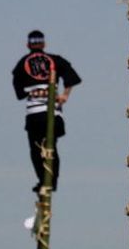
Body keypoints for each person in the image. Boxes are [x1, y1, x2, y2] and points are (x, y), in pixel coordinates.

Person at [11, 30, 82, 192]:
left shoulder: (22, 63)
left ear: (28, 44)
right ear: (43, 44)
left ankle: (43, 180)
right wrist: (65, 95)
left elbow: (19, 93)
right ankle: (51, 181)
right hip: (53, 113)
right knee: (51, 147)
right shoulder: (55, 60)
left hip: (34, 114)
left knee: (36, 150)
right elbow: (71, 75)